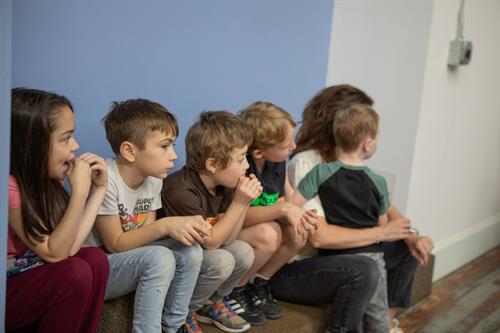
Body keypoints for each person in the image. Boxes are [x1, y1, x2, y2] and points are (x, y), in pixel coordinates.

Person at [276, 84, 434, 333]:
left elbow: (385, 205)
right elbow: (321, 237)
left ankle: (387, 323)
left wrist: (410, 235)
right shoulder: (308, 163)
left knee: (406, 247)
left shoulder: (347, 164)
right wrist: (382, 233)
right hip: (303, 265)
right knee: (366, 265)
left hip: (344, 255)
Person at [87, 99, 209, 333]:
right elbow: (115, 244)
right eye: (164, 146)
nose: (174, 156)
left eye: (172, 145)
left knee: (191, 250)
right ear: (129, 151)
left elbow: (146, 237)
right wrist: (165, 225)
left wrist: (187, 227)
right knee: (160, 257)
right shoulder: (106, 178)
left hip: (131, 258)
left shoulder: (154, 179)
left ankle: (172, 327)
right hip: (101, 268)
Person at [6, 88, 109, 333]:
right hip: (9, 288)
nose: (76, 146)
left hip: (31, 270)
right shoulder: (9, 186)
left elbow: (69, 248)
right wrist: (79, 193)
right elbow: (54, 254)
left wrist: (99, 191)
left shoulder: (49, 180)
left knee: (95, 259)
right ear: (33, 144)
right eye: (66, 138)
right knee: (73, 274)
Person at [293, 104, 392, 332]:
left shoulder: (320, 172)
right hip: (371, 255)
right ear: (368, 144)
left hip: (334, 255)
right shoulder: (378, 181)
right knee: (377, 314)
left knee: (354, 307)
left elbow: (293, 204)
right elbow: (382, 224)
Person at [161, 111, 262, 333]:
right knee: (221, 260)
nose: (247, 165)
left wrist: (243, 203)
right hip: (179, 258)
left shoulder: (225, 184)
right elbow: (212, 243)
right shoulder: (181, 190)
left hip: (202, 253)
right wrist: (239, 202)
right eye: (240, 159)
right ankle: (184, 310)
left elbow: (230, 237)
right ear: (212, 164)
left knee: (244, 251)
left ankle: (211, 303)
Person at [227, 102, 318, 325]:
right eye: (287, 145)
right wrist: (283, 210)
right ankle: (234, 289)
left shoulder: (277, 161)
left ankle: (258, 283)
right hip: (233, 229)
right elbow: (239, 216)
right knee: (269, 234)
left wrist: (299, 214)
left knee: (298, 232)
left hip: (260, 224)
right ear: (258, 151)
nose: (294, 146)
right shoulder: (241, 168)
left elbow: (283, 197)